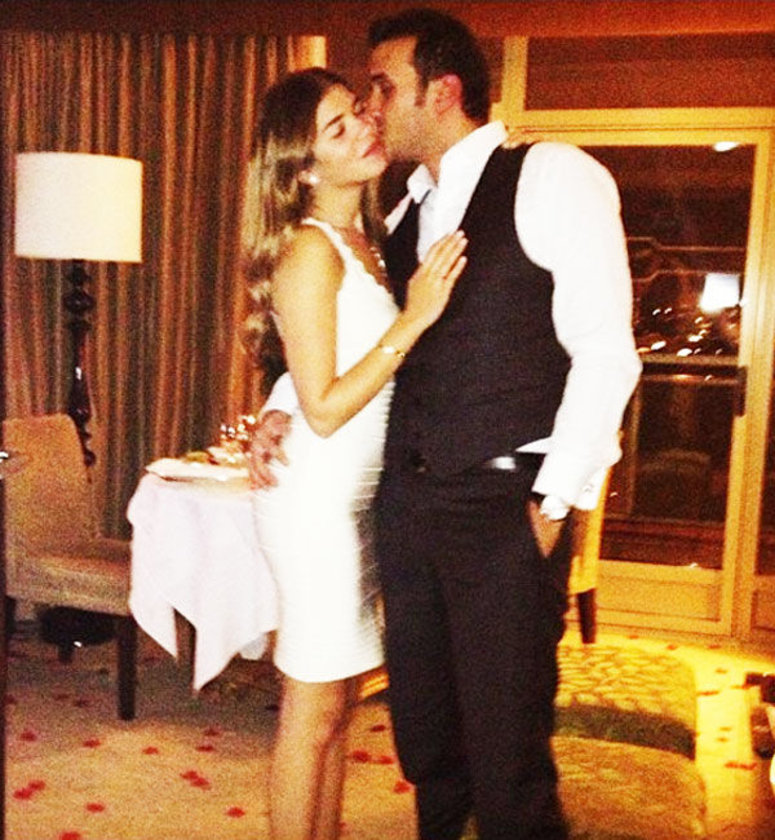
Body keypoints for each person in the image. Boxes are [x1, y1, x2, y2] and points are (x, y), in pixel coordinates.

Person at [252, 10, 641, 840]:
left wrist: (553, 505)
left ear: (442, 91)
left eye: (381, 88)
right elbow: (335, 342)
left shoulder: (551, 175)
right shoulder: (396, 218)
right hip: (404, 509)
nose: (370, 108)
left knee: (506, 753)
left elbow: (606, 353)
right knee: (426, 736)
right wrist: (279, 409)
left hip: (502, 507)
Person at [241, 67, 468, 840]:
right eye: (338, 129)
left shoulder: (365, 240)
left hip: (353, 504)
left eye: (359, 114)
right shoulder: (310, 249)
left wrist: (273, 406)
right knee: (310, 713)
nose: (367, 128)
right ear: (303, 169)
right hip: (313, 506)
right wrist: (414, 319)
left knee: (335, 708)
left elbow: (309, 366)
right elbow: (327, 407)